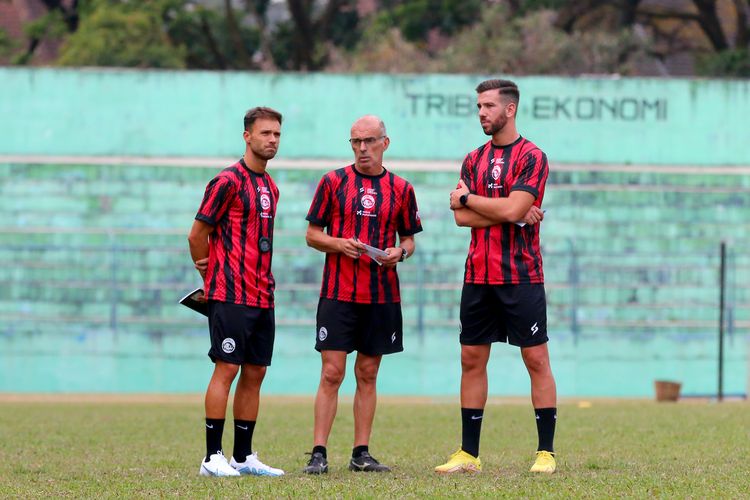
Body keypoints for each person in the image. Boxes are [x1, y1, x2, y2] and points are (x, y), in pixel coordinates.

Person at [434, 79, 557, 474]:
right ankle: (469, 454)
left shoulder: (533, 157)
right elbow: (461, 218)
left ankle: (546, 453)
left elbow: (501, 209)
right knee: (471, 359)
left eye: (488, 106)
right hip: (479, 275)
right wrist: (507, 209)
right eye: (479, 107)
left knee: (535, 358)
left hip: (521, 275)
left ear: (510, 109)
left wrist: (473, 200)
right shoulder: (473, 159)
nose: (482, 113)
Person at [302, 115, 423, 474]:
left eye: (369, 141)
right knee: (332, 372)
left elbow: (410, 240)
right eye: (355, 142)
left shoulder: (401, 189)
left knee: (368, 372)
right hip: (339, 293)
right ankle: (319, 453)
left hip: (381, 296)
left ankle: (361, 453)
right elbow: (312, 235)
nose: (362, 148)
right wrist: (338, 243)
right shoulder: (332, 182)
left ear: (385, 143)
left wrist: (398, 253)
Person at [188, 106, 285, 477]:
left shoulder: (270, 186)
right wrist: (209, 272)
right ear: (247, 136)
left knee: (255, 372)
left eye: (276, 134)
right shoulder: (226, 181)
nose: (271, 140)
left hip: (263, 294)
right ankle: (212, 457)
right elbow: (197, 234)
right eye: (265, 133)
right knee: (226, 367)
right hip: (230, 294)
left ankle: (242, 457)